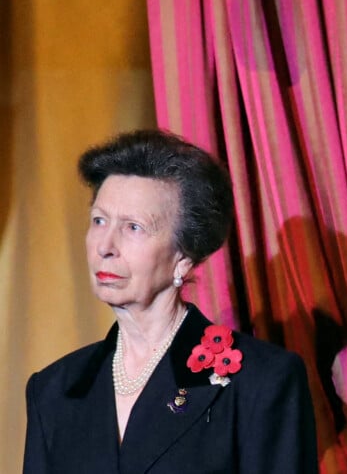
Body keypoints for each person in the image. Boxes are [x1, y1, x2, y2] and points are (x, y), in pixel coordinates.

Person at [23, 129, 318, 474]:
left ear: (184, 257)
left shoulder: (260, 381)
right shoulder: (54, 389)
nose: (105, 246)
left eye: (133, 227)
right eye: (99, 221)